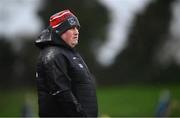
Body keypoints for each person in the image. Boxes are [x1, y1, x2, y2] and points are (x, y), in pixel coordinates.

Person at [34, 9, 98, 117]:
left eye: (77, 28)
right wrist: (80, 116)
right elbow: (61, 92)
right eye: (71, 28)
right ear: (60, 31)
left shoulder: (69, 53)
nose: (76, 32)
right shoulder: (53, 54)